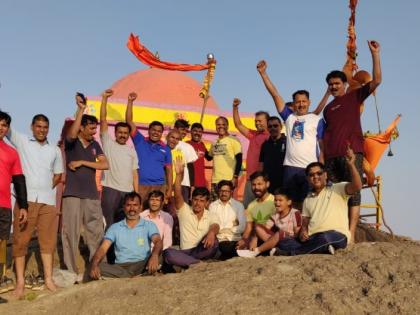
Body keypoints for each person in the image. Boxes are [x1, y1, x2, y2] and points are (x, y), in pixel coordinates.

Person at [323, 40, 382, 243]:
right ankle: (337, 231)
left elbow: (376, 81)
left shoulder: (354, 96)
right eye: (330, 84)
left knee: (354, 192)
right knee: (336, 194)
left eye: (337, 83)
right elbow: (326, 136)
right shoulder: (328, 109)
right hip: (331, 157)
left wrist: (375, 54)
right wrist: (324, 159)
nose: (334, 87)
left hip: (352, 153)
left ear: (344, 84)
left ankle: (350, 233)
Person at [257, 60, 326, 209]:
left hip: (310, 169)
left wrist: (322, 168)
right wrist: (263, 74)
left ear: (309, 102)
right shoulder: (289, 117)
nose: (301, 104)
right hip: (290, 168)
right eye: (297, 102)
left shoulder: (317, 120)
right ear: (293, 104)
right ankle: (292, 232)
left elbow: (322, 146)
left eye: (304, 101)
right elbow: (275, 94)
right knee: (290, 204)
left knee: (309, 203)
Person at [7, 113, 63, 297]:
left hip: (47, 201)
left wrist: (47, 187)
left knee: (47, 241)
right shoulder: (22, 141)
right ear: (32, 127)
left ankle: (48, 279)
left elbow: (58, 175)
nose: (41, 130)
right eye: (38, 126)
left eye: (45, 127)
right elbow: (6, 127)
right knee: (20, 240)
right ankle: (20, 283)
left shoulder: (54, 150)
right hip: (26, 201)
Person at [281, 146, 362, 255]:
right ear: (308, 179)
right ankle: (321, 249)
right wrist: (303, 231)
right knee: (285, 242)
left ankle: (293, 253)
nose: (315, 177)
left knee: (325, 238)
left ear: (325, 175)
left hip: (335, 235)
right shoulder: (307, 199)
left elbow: (357, 186)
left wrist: (351, 165)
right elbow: (305, 222)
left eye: (319, 173)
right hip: (313, 237)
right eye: (311, 175)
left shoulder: (338, 188)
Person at [61, 93, 109, 276]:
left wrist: (83, 163)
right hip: (72, 194)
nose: (93, 132)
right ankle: (71, 272)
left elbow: (105, 164)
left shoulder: (95, 144)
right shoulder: (71, 143)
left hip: (91, 194)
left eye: (95, 128)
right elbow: (72, 133)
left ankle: (98, 268)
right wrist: (81, 109)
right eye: (90, 128)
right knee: (70, 234)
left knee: (96, 232)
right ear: (81, 128)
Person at [89, 192, 163, 279]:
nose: (132, 208)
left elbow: (158, 241)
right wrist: (94, 264)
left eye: (135, 205)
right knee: (98, 267)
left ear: (140, 207)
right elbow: (103, 248)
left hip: (142, 264)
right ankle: (138, 275)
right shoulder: (114, 227)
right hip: (121, 267)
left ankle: (129, 276)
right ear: (124, 207)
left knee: (161, 255)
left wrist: (154, 256)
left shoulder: (149, 225)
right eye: (128, 205)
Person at [164, 157, 219, 269]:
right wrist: (179, 175)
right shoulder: (184, 210)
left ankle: (188, 263)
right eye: (195, 200)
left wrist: (212, 233)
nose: (198, 203)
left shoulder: (210, 214)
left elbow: (215, 225)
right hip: (185, 251)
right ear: (191, 199)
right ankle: (197, 264)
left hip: (201, 249)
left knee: (215, 242)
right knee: (168, 253)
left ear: (207, 203)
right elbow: (178, 193)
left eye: (201, 201)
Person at [99, 89, 139, 228]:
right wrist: (104, 99)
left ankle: (120, 250)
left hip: (128, 192)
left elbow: (134, 174)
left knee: (124, 225)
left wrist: (136, 193)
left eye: (125, 133)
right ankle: (107, 249)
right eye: (120, 132)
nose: (122, 135)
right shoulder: (108, 143)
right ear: (114, 133)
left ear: (129, 135)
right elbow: (103, 120)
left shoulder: (131, 152)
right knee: (108, 223)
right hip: (110, 189)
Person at [125, 92, 172, 206]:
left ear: (162, 133)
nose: (156, 132)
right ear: (149, 130)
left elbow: (169, 171)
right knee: (139, 213)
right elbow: (129, 122)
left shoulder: (166, 149)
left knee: (156, 215)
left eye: (159, 131)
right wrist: (130, 102)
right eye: (153, 130)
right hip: (140, 185)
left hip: (159, 186)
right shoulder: (140, 140)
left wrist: (169, 188)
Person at [0, 111, 28, 302]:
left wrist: (24, 206)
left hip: (3, 207)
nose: (1, 127)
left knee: (0, 247)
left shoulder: (12, 152)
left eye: (4, 125)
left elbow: (19, 180)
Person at [238, 189, 301, 257]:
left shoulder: (295, 213)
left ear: (289, 202)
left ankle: (257, 251)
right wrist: (254, 238)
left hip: (291, 242)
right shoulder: (275, 215)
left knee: (280, 233)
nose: (277, 203)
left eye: (280, 200)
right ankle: (253, 249)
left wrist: (283, 235)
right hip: (278, 241)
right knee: (257, 227)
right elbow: (265, 228)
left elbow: (297, 234)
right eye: (275, 200)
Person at [232, 98, 269, 208]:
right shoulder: (253, 135)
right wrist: (235, 108)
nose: (257, 123)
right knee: (247, 209)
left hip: (263, 180)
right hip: (250, 179)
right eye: (256, 121)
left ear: (267, 121)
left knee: (263, 210)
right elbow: (238, 125)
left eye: (260, 121)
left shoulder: (271, 138)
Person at [236, 171, 275, 250]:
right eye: (253, 184)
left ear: (267, 184)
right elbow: (248, 228)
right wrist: (243, 240)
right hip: (256, 239)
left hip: (272, 237)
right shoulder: (251, 205)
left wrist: (255, 236)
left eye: (259, 184)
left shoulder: (275, 201)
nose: (256, 187)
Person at [208, 180, 246, 259]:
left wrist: (225, 229)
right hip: (219, 239)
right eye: (221, 191)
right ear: (218, 191)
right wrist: (232, 226)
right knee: (224, 247)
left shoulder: (238, 206)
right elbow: (211, 224)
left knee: (231, 248)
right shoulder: (213, 206)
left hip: (234, 239)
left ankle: (224, 256)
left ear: (231, 192)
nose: (224, 193)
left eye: (226, 191)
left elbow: (242, 227)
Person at [209, 116, 242, 200]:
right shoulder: (214, 143)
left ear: (227, 126)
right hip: (215, 180)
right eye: (218, 124)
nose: (221, 126)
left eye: (223, 124)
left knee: (227, 206)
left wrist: (235, 177)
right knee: (214, 207)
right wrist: (199, 144)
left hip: (228, 180)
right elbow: (209, 157)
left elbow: (239, 159)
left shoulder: (234, 140)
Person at [259, 116, 287, 193]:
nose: (273, 128)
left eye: (275, 126)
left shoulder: (288, 142)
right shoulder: (265, 144)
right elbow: (261, 163)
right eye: (270, 126)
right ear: (267, 129)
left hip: (284, 182)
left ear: (281, 127)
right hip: (268, 183)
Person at [173, 119, 198, 202]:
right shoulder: (166, 144)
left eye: (186, 130)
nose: (184, 132)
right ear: (175, 128)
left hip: (184, 183)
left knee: (183, 210)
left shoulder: (188, 147)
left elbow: (191, 167)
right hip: (169, 182)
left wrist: (192, 186)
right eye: (182, 129)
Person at [187, 123, 211, 189]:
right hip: (190, 182)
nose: (197, 133)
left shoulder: (202, 145)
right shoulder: (187, 144)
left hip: (201, 182)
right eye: (195, 131)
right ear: (191, 131)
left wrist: (215, 148)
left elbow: (209, 158)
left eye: (200, 132)